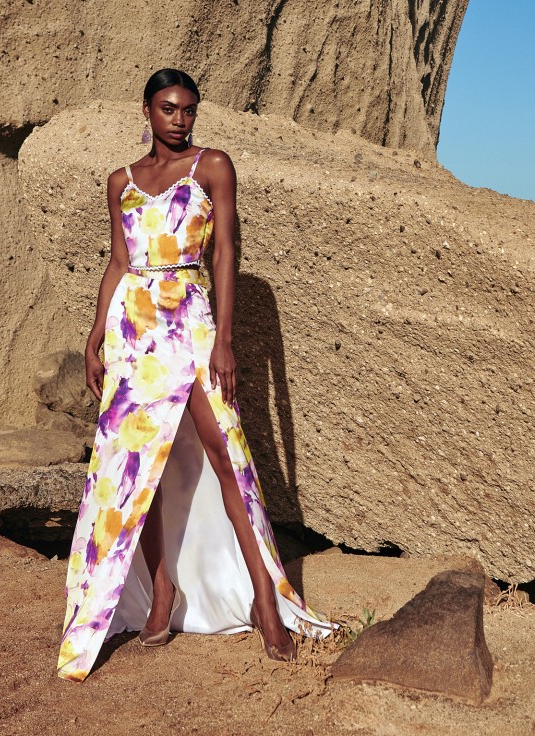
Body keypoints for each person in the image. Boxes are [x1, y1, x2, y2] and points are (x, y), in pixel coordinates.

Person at [56, 68, 334, 682]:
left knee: (225, 456)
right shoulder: (121, 183)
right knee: (138, 469)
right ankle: (161, 598)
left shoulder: (213, 166)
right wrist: (96, 331)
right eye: (168, 109)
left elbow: (226, 251)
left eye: (188, 110)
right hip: (135, 333)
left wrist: (225, 340)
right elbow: (119, 262)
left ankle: (266, 602)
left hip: (193, 325)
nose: (179, 120)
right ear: (148, 111)